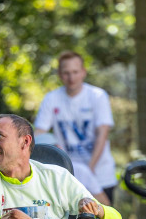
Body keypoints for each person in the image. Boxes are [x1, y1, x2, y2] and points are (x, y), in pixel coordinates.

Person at [33, 51, 117, 204]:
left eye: (75, 72)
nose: (71, 78)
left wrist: (88, 170)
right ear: (59, 74)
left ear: (83, 72)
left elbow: (102, 134)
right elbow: (40, 133)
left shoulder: (97, 96)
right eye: (66, 73)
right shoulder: (52, 98)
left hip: (100, 173)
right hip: (68, 174)